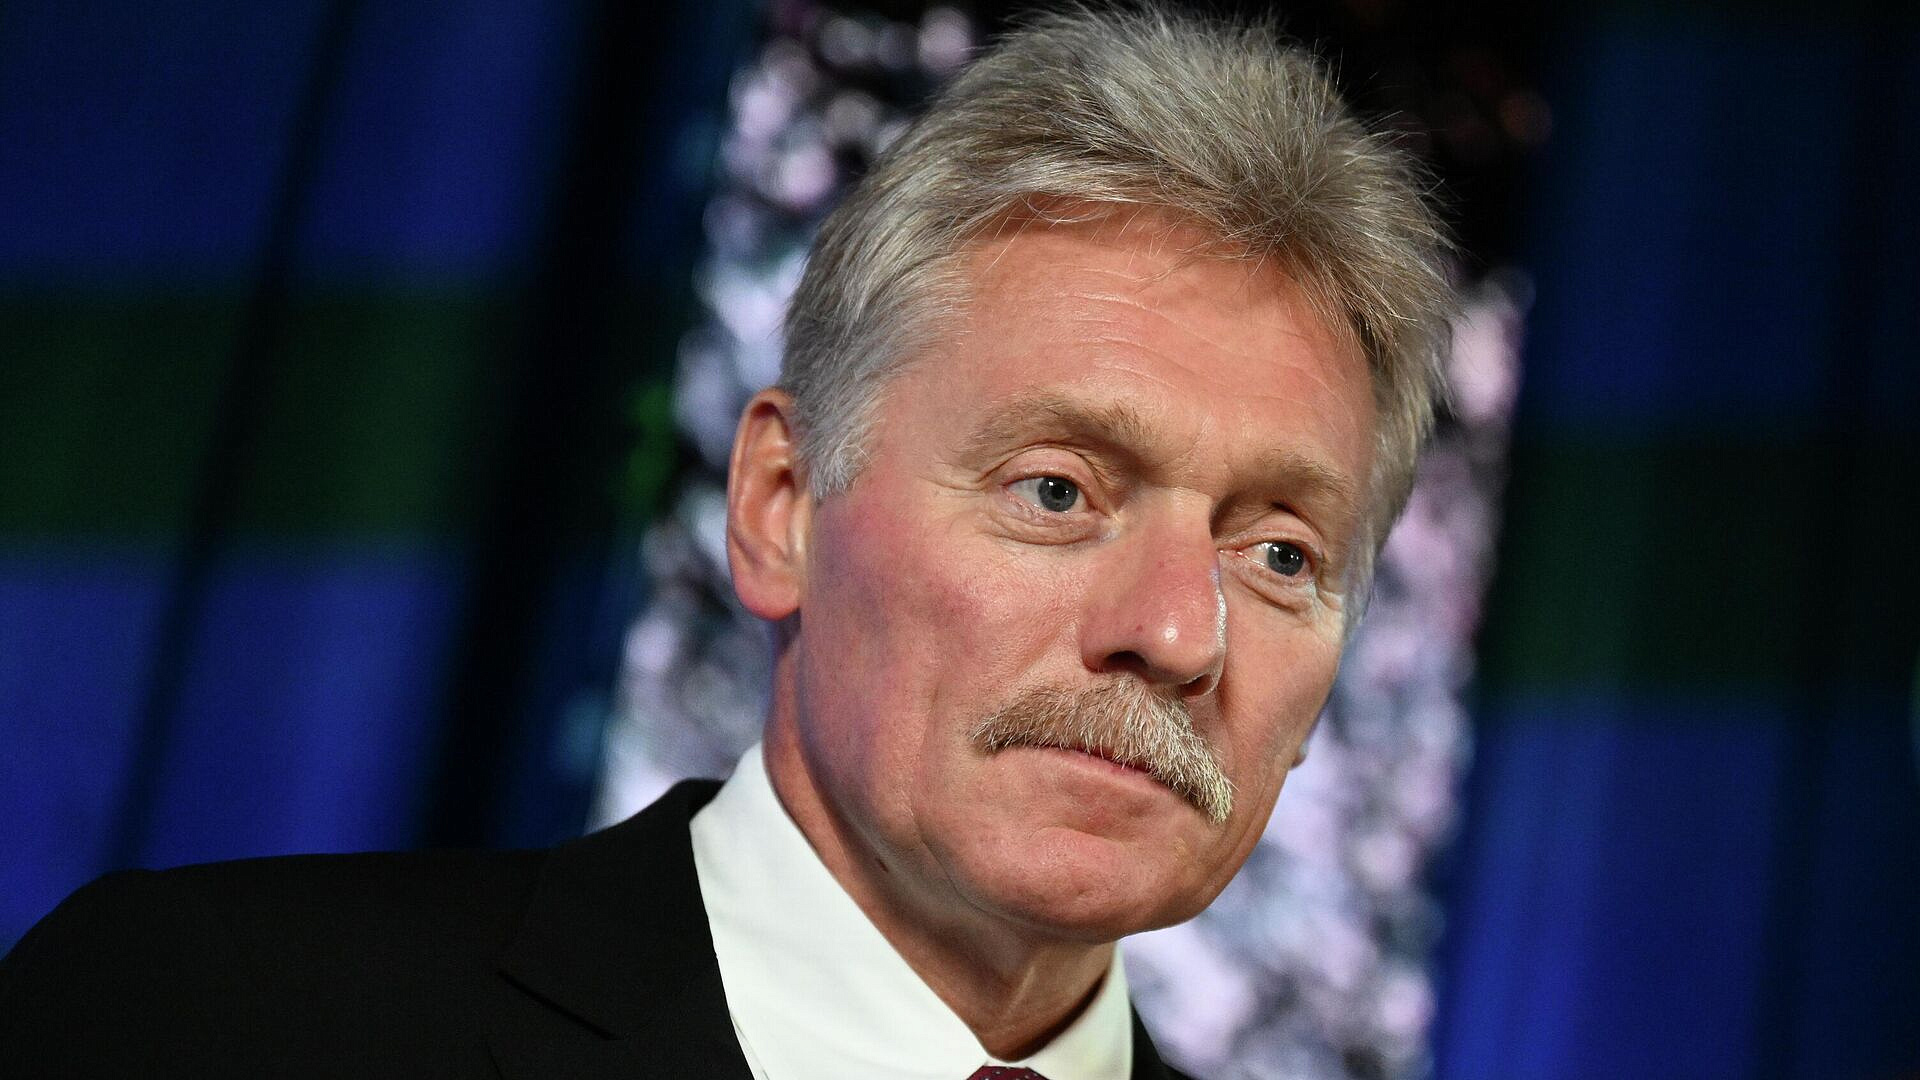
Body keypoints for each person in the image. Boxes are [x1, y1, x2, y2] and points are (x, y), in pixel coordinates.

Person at [0, 7, 1451, 1078]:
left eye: (1281, 557)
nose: (1179, 632)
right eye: (1058, 492)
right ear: (780, 508)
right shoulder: (211, 1023)